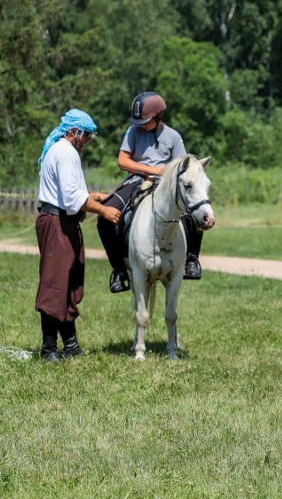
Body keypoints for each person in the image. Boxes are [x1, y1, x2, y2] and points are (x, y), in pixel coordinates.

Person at [35, 109, 122, 362]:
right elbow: (73, 199)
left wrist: (91, 196)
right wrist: (103, 210)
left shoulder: (62, 150)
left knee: (68, 282)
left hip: (61, 220)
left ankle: (71, 345)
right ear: (74, 132)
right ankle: (49, 350)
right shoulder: (65, 152)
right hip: (58, 223)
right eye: (86, 136)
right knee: (55, 283)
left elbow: (69, 193)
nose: (88, 141)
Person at [97, 91, 204, 293]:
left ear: (158, 116)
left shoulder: (173, 136)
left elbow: (182, 166)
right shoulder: (133, 131)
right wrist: (149, 170)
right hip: (136, 180)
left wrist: (162, 175)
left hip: (167, 185)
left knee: (195, 214)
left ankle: (191, 259)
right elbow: (123, 161)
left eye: (145, 120)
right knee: (104, 219)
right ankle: (119, 270)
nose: (141, 124)